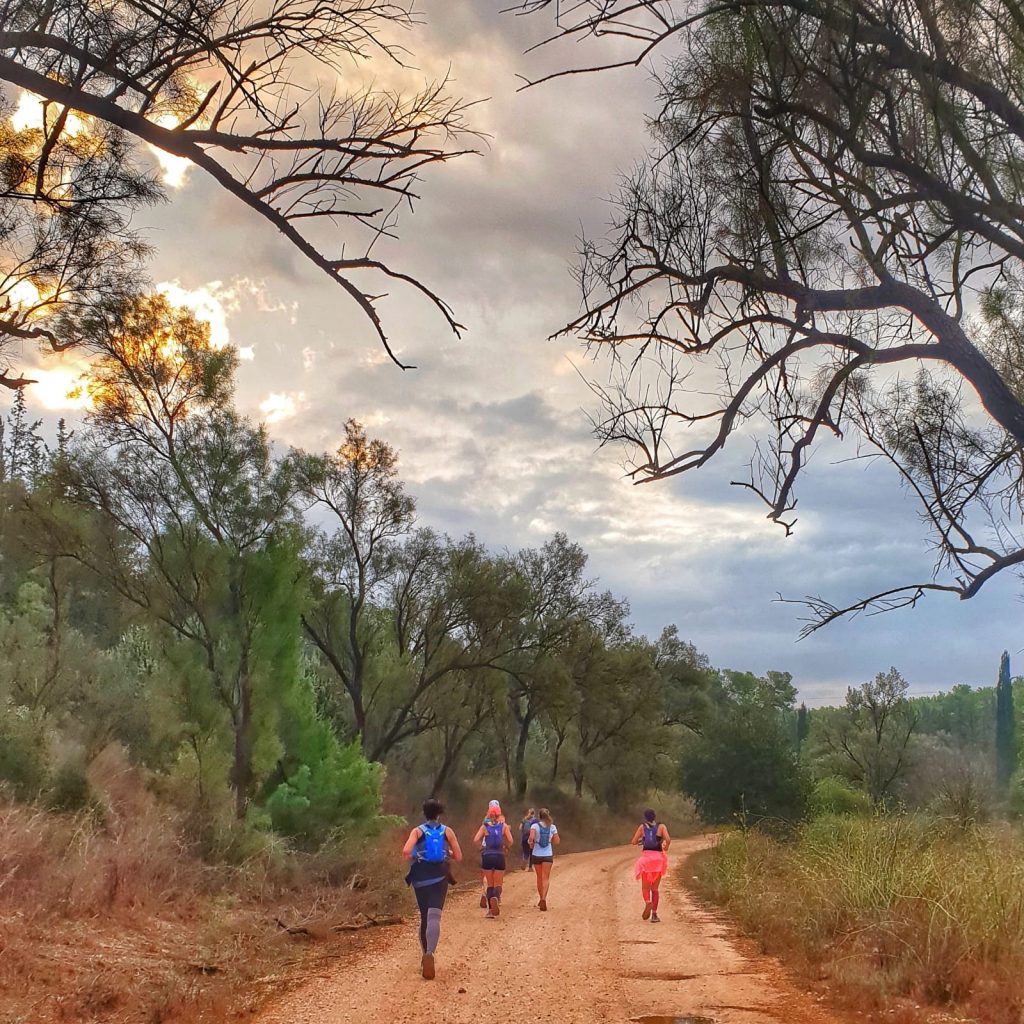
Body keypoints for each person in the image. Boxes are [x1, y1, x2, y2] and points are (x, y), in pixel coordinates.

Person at [402, 797, 463, 980]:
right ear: (439, 813)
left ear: (424, 813)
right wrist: (447, 853)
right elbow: (458, 856)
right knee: (434, 915)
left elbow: (406, 852)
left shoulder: (417, 831)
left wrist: (417, 855)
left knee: (424, 916)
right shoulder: (447, 831)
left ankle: (424, 955)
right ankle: (430, 953)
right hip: (439, 876)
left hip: (421, 877)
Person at [473, 800, 514, 917]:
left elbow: (476, 839)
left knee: (489, 884)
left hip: (487, 856)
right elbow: (510, 840)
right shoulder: (504, 826)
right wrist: (506, 847)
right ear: (499, 813)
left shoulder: (484, 826)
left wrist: (481, 848)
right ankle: (496, 897)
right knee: (498, 883)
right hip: (499, 856)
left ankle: (490, 910)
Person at [631, 808, 671, 923]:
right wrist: (666, 847)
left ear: (645, 817)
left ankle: (648, 902)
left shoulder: (642, 827)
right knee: (655, 889)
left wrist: (641, 841)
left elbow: (633, 841)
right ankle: (654, 915)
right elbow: (668, 839)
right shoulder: (661, 827)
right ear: (655, 816)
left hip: (646, 860)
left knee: (645, 887)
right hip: (658, 859)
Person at [528, 807, 559, 910]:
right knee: (545, 878)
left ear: (539, 816)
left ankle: (540, 897)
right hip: (548, 854)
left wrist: (531, 844)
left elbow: (531, 839)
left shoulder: (534, 826)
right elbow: (557, 841)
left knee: (539, 877)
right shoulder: (552, 827)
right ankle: (544, 899)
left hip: (536, 854)